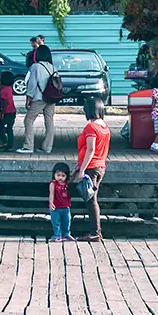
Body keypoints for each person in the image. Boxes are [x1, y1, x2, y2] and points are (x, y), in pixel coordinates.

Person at [74, 96, 111, 241]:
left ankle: (95, 232)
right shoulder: (104, 126)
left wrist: (82, 169)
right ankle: (95, 231)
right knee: (91, 198)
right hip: (100, 165)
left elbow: (90, 149)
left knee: (91, 200)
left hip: (91, 167)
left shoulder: (91, 127)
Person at [21, 46, 60, 154]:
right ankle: (47, 147)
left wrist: (28, 97)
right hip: (51, 98)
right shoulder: (52, 67)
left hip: (39, 98)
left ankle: (28, 146)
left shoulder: (35, 67)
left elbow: (32, 84)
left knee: (28, 120)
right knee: (49, 122)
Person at [48, 163, 74, 241]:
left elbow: (72, 178)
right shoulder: (53, 184)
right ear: (54, 174)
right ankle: (57, 235)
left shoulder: (66, 183)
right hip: (56, 207)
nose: (60, 177)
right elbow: (51, 194)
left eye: (63, 176)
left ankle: (66, 234)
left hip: (66, 207)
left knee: (67, 221)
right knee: (56, 222)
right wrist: (51, 203)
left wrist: (75, 171)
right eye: (58, 175)